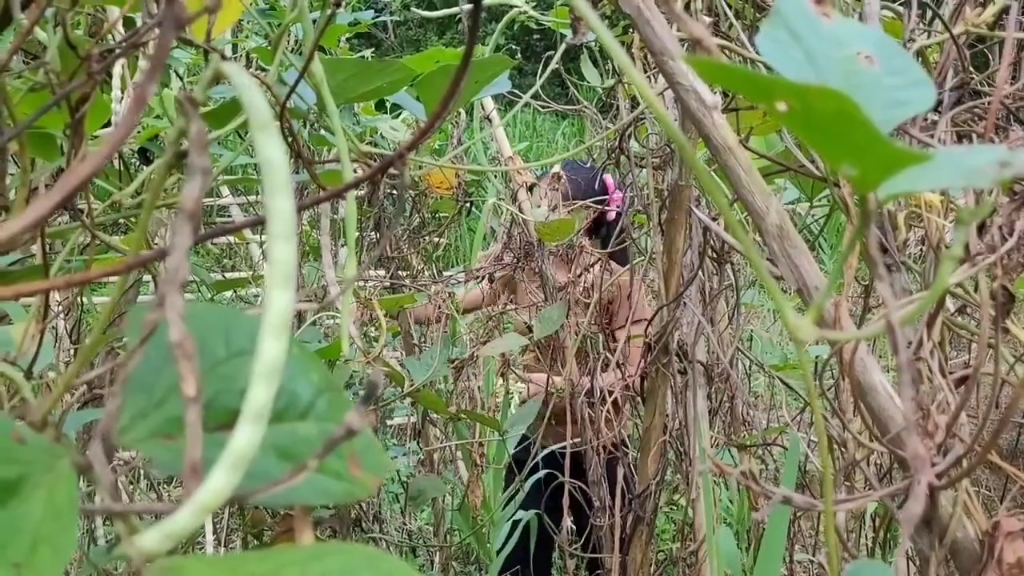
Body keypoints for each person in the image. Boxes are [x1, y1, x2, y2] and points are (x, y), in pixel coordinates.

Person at [401, 159, 654, 576]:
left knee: (609, 562)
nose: (535, 211)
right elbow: (465, 297)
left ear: (586, 217)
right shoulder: (523, 268)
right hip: (538, 442)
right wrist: (402, 307)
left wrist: (556, 386)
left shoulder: (619, 284)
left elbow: (630, 376)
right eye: (535, 200)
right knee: (518, 563)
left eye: (549, 202)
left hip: (601, 447)